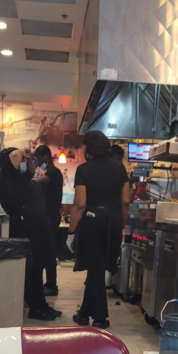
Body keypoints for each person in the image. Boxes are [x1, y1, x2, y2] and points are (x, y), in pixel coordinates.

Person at [68, 130, 130, 329]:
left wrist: (71, 233)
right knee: (98, 269)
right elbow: (126, 202)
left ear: (89, 148)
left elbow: (79, 204)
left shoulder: (84, 170)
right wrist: (121, 227)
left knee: (95, 269)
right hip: (113, 221)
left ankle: (101, 318)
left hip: (92, 221)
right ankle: (84, 314)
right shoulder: (120, 169)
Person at [0, 146, 62, 322]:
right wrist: (22, 152)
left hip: (38, 228)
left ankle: (42, 304)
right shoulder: (6, 177)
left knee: (38, 268)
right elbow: (15, 154)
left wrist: (30, 159)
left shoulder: (20, 178)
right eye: (23, 161)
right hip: (26, 228)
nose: (25, 163)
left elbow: (32, 172)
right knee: (29, 269)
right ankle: (35, 307)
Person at [33, 144, 63, 296]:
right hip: (47, 216)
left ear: (45, 157)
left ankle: (51, 285)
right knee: (45, 249)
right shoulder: (49, 172)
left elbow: (36, 183)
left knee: (50, 250)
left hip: (52, 216)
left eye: (38, 159)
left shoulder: (54, 173)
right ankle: (49, 283)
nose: (37, 162)